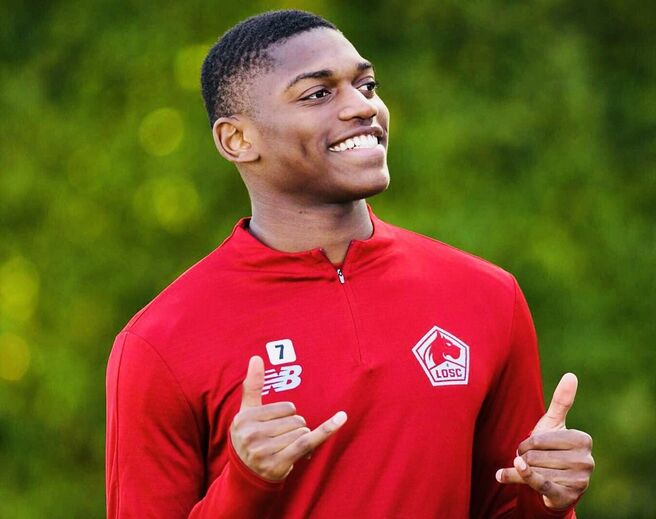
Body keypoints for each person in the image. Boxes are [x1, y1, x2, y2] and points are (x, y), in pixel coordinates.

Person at [105, 9, 594, 518]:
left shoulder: (487, 296)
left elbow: (507, 508)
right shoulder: (160, 342)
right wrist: (245, 484)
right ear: (238, 140)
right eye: (318, 94)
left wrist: (549, 500)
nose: (363, 107)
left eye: (366, 85)